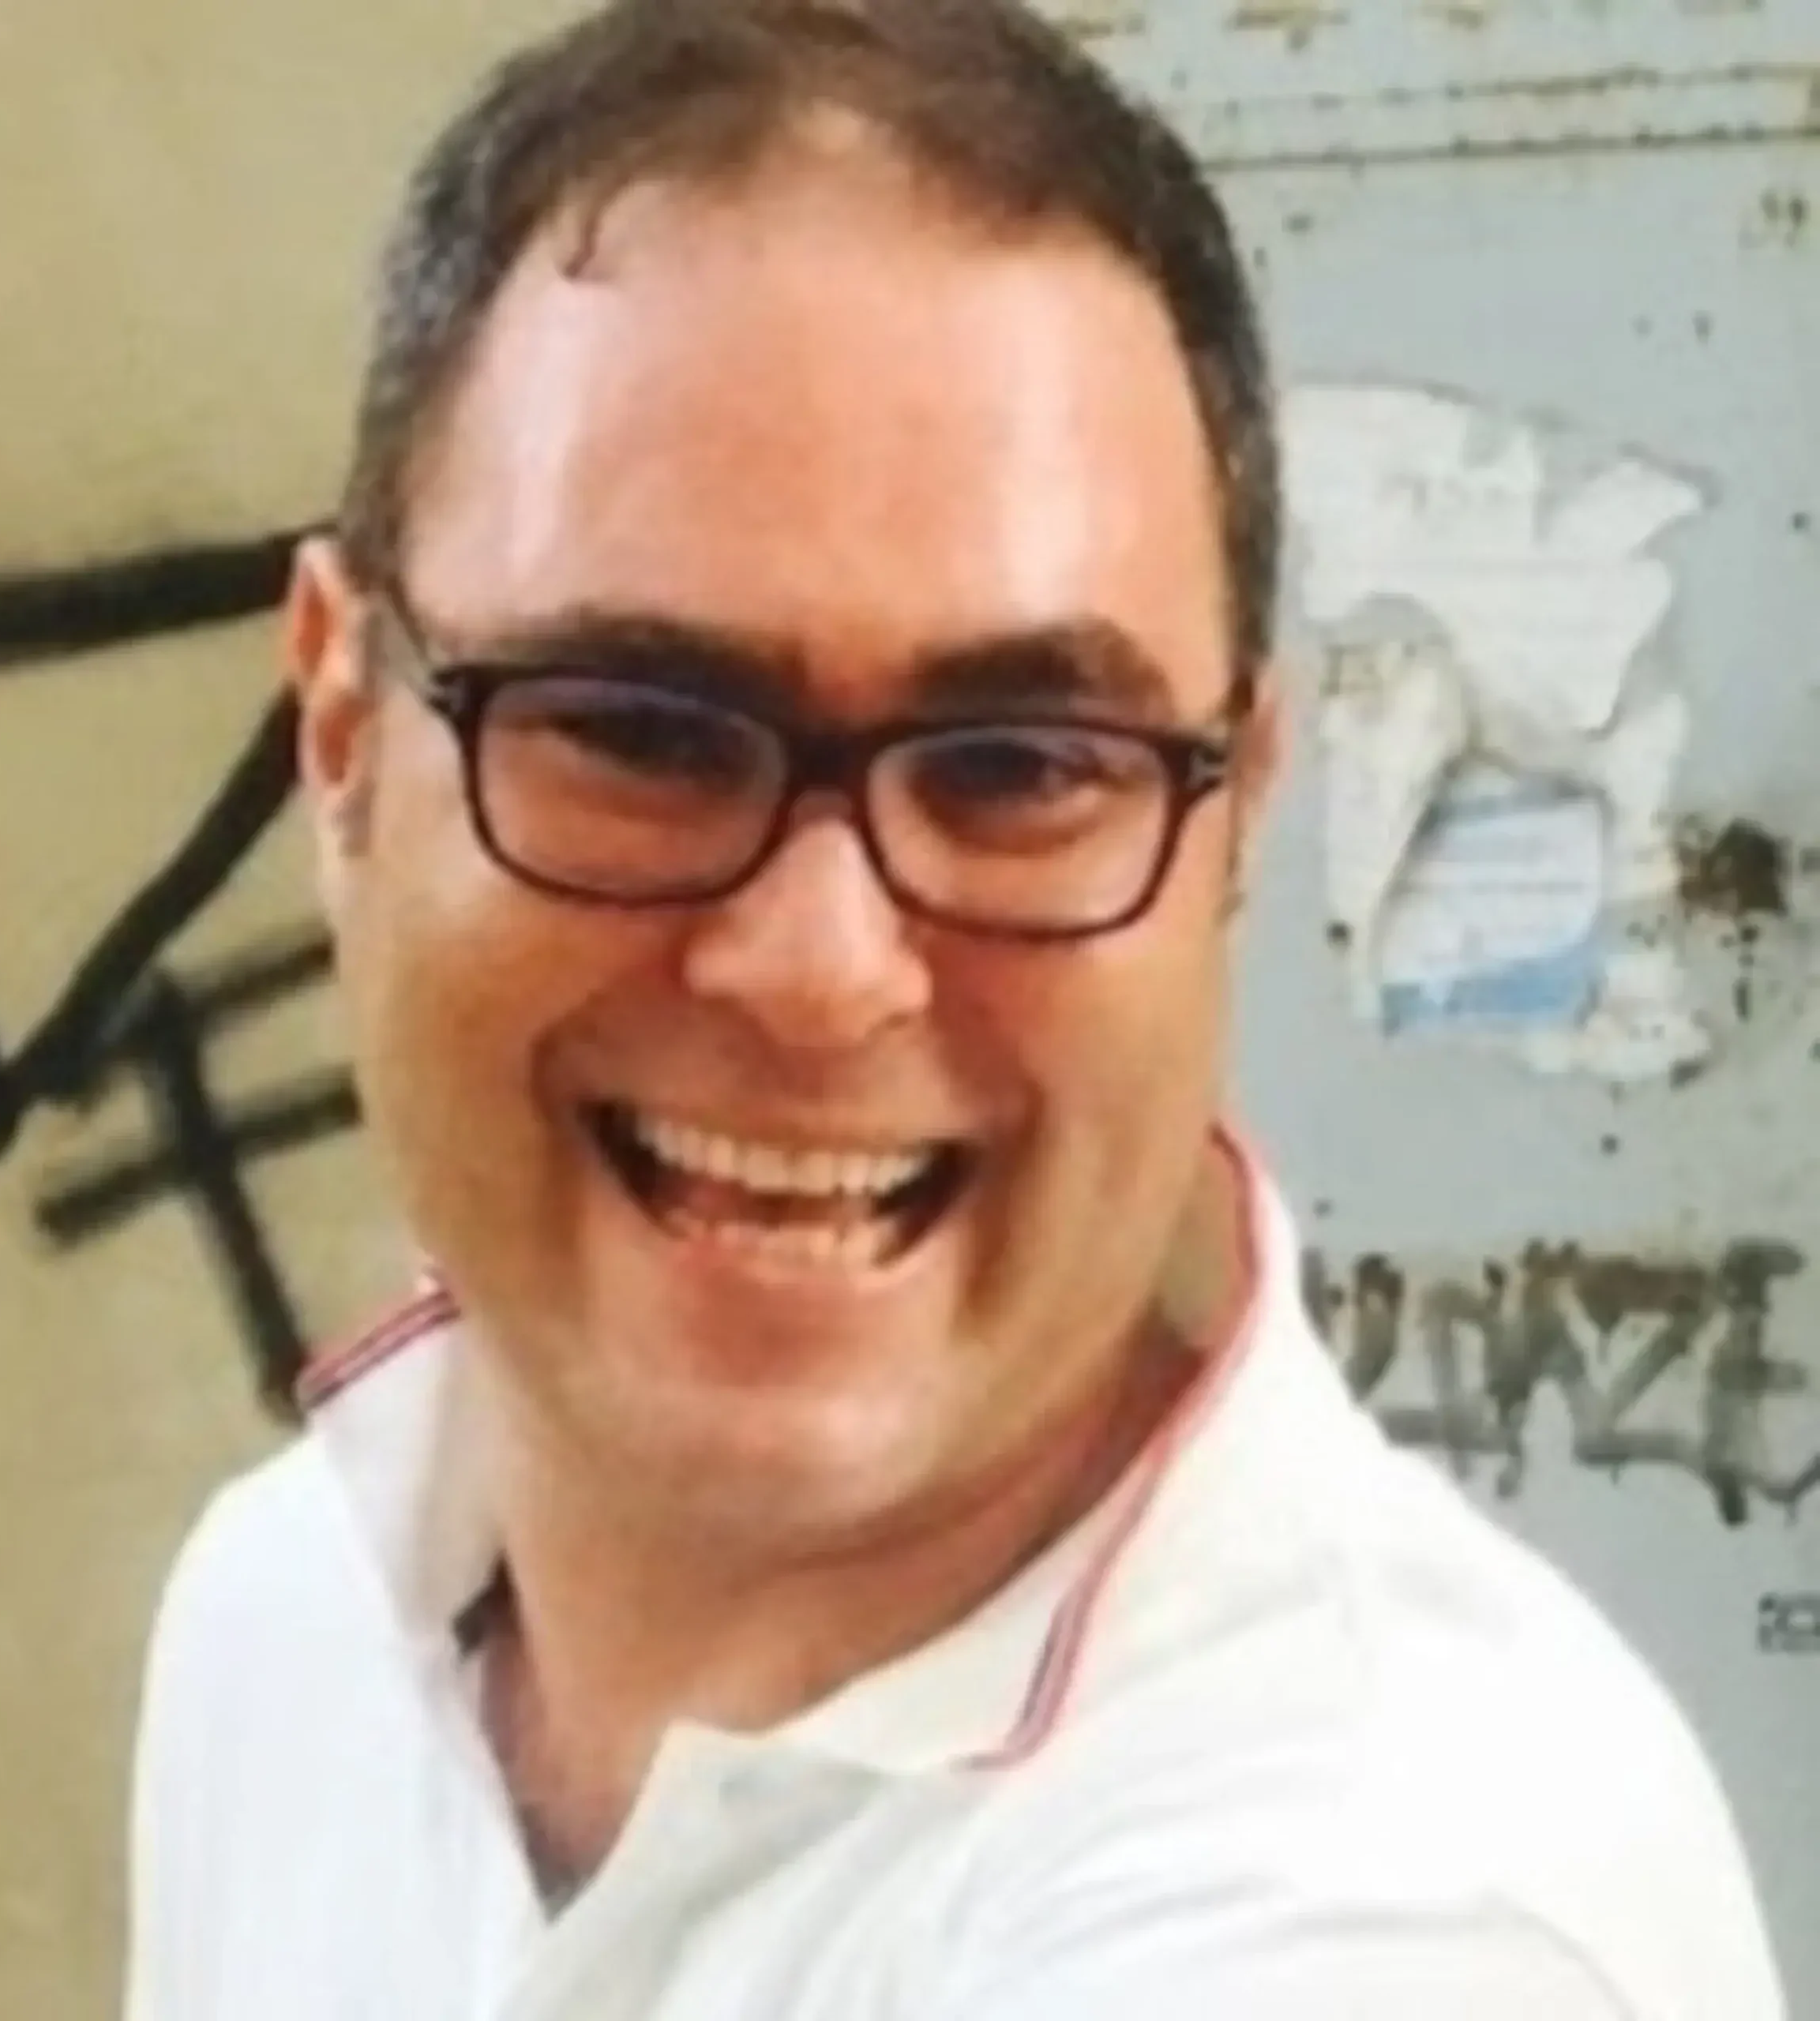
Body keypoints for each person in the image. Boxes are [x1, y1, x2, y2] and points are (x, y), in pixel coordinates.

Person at [123, 2, 1786, 2015]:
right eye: (635, 728)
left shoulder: (1383, 1916)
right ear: (336, 731)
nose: (821, 967)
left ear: (1236, 819)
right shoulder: (288, 1623)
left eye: (1019, 764)